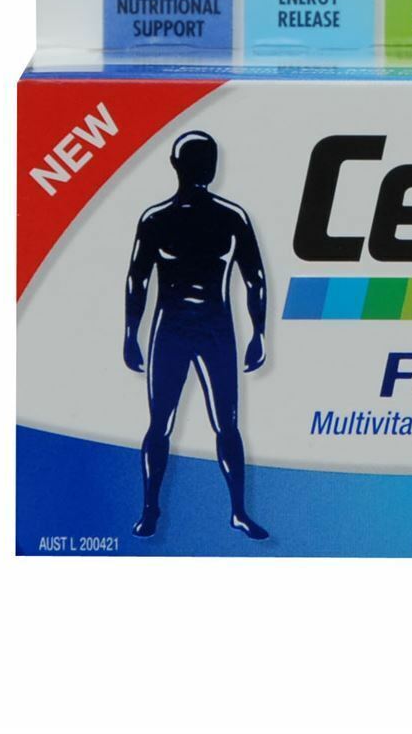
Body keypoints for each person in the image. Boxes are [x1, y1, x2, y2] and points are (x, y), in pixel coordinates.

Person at [122, 130, 268, 539]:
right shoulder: (158, 220)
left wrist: (260, 333)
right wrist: (130, 334)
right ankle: (150, 509)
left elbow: (255, 277)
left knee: (223, 425)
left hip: (208, 330)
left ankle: (237, 511)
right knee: (164, 423)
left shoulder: (230, 218)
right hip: (177, 330)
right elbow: (136, 279)